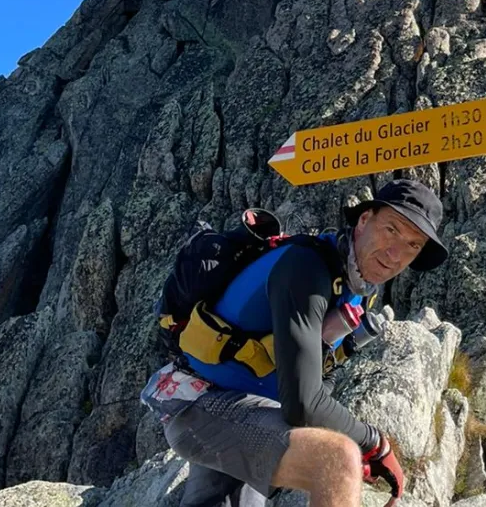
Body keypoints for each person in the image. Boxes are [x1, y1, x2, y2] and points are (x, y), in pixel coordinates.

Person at [140, 179, 449, 507]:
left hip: (242, 411)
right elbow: (304, 404)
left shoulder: (353, 295)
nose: (396, 253)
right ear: (363, 220)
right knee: (337, 461)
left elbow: (319, 379)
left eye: (413, 246)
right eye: (391, 229)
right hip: (203, 406)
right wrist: (374, 444)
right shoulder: (306, 268)